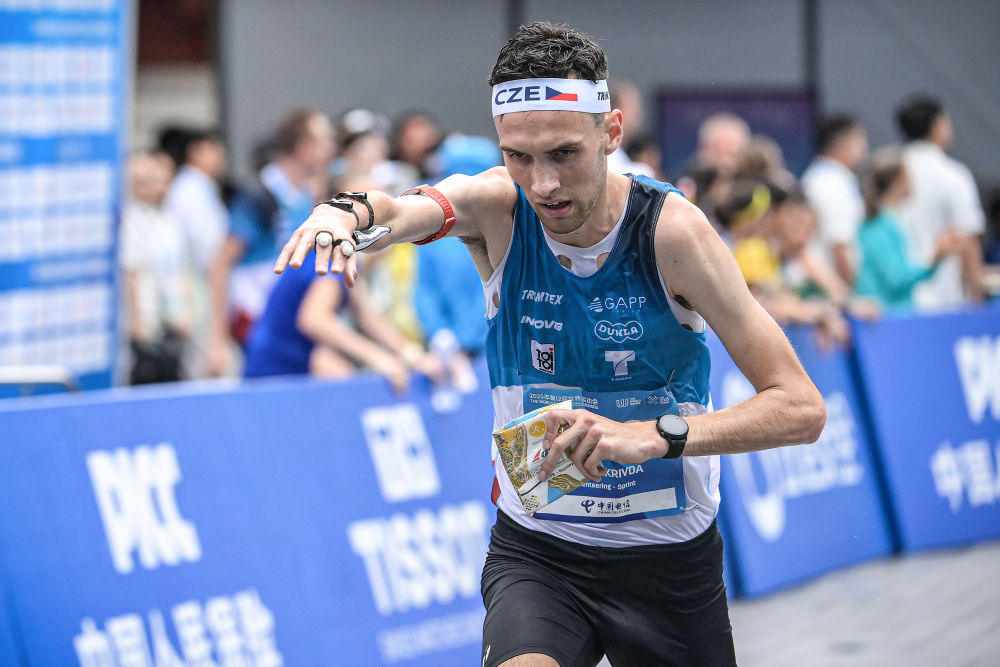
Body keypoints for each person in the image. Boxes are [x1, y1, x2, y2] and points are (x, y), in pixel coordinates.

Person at [274, 22, 825, 667]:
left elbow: (800, 407)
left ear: (611, 132)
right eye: (519, 156)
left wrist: (655, 436)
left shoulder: (673, 235)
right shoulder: (497, 207)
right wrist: (344, 213)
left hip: (668, 562)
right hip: (539, 552)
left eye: (565, 153)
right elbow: (396, 210)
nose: (542, 184)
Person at [208, 108, 335, 376]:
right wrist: (217, 339)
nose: (331, 149)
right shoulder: (259, 195)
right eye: (324, 141)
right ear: (303, 147)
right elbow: (221, 264)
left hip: (286, 317)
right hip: (253, 319)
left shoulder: (306, 194)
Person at [895, 94, 987, 311]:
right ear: (937, 125)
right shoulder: (954, 175)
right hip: (945, 300)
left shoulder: (889, 175)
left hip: (897, 300)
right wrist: (978, 299)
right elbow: (968, 242)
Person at [855, 148, 961, 312]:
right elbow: (897, 279)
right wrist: (934, 259)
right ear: (899, 181)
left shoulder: (885, 221)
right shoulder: (880, 226)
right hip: (887, 318)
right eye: (910, 176)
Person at [120, 152, 193, 385]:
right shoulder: (131, 219)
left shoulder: (166, 219)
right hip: (146, 324)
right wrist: (136, 320)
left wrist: (186, 309)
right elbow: (131, 272)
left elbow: (178, 267)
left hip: (171, 320)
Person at [800, 113, 869, 287]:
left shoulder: (825, 177)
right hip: (826, 284)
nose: (865, 147)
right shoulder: (829, 183)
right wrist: (847, 291)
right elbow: (838, 241)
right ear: (843, 141)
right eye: (859, 139)